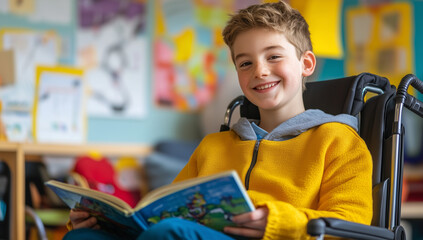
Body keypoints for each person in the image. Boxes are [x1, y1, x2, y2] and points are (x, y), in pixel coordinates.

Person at [64, 1, 373, 239]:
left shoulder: (339, 141)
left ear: (306, 64)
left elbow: (351, 225)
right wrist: (107, 222)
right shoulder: (213, 146)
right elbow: (163, 214)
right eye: (245, 63)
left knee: (171, 234)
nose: (260, 71)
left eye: (274, 56)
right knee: (85, 235)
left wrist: (277, 223)